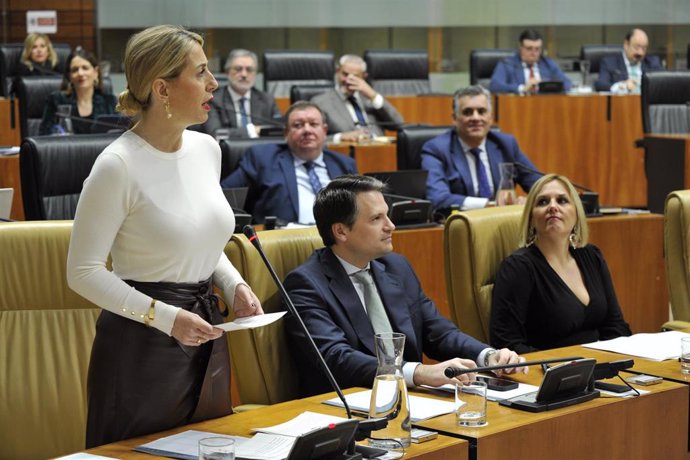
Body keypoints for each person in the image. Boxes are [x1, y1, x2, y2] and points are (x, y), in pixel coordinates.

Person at [66, 25, 263, 448]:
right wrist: (167, 318)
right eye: (201, 73)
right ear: (162, 88)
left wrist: (234, 284)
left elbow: (201, 240)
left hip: (203, 325)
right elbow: (81, 273)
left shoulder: (207, 149)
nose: (214, 83)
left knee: (211, 447)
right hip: (141, 341)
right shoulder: (117, 165)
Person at [284, 175, 526, 397]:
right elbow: (336, 358)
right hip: (348, 404)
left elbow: (438, 332)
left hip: (412, 399)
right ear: (341, 231)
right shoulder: (307, 284)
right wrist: (420, 372)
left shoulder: (396, 267)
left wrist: (488, 357)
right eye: (376, 219)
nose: (391, 226)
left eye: (387, 215)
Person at [490, 174, 632, 354]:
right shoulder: (518, 267)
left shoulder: (592, 256)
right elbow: (507, 344)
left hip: (601, 368)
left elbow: (616, 326)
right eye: (542, 202)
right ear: (531, 219)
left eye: (562, 200)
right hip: (550, 374)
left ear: (577, 214)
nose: (552, 207)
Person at [221, 101, 357, 225]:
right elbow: (225, 195)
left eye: (314, 124)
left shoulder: (344, 164)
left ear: (325, 131)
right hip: (285, 242)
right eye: (298, 125)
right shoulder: (262, 158)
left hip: (339, 241)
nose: (307, 130)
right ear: (286, 132)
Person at [421, 85, 541, 211]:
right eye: (468, 112)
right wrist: (490, 205)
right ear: (454, 119)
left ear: (490, 118)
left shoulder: (506, 144)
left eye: (481, 111)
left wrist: (529, 200)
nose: (476, 118)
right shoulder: (436, 150)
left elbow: (539, 184)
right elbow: (438, 198)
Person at [311, 54, 404, 142]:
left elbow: (398, 125)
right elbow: (314, 139)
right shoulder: (321, 102)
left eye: (355, 76)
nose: (348, 80)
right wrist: (340, 137)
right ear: (337, 72)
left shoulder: (370, 98)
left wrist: (373, 95)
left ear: (364, 77)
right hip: (347, 153)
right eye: (345, 74)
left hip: (380, 151)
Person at [202, 49, 281, 138]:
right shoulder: (214, 100)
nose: (244, 74)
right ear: (227, 72)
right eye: (238, 69)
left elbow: (279, 130)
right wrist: (252, 131)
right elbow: (215, 133)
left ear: (255, 73)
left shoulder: (267, 100)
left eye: (249, 69)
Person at [38, 47, 116, 135]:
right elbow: (45, 135)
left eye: (85, 68)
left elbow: (119, 136)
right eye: (75, 70)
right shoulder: (57, 101)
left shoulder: (110, 102)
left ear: (95, 72)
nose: (80, 73)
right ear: (69, 76)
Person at [489, 29, 572, 94]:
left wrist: (546, 86)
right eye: (529, 49)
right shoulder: (507, 64)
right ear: (520, 47)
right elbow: (495, 86)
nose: (534, 53)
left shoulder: (547, 64)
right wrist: (522, 88)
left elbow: (567, 84)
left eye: (537, 49)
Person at [595, 28, 662, 94]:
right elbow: (601, 84)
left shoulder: (652, 63)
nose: (640, 53)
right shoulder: (609, 63)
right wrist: (622, 85)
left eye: (644, 49)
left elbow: (662, 84)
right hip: (623, 103)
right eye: (636, 47)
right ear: (626, 44)